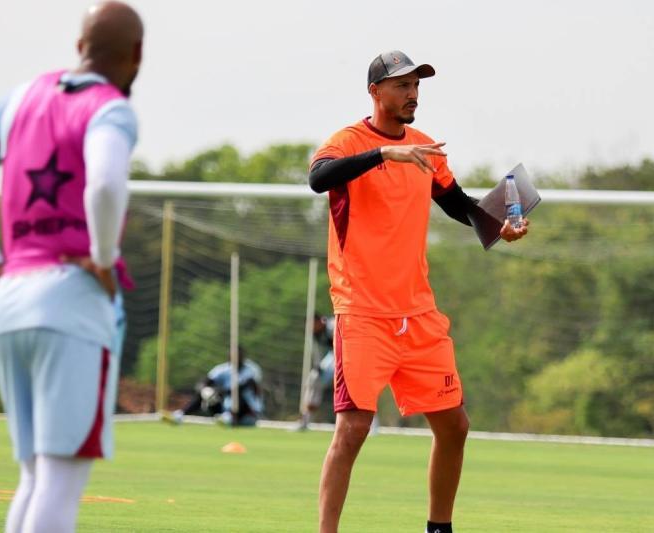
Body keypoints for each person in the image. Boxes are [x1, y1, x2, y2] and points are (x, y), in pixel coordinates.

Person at [0, 3, 143, 532]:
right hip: (72, 302)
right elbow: (105, 184)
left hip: (8, 301)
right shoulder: (110, 108)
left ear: (79, 47)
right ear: (137, 56)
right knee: (59, 480)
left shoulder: (21, 97)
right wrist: (102, 258)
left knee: (33, 476)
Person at [309, 50, 529, 533]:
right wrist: (383, 154)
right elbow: (318, 178)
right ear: (375, 92)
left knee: (455, 426)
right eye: (402, 86)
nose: (412, 95)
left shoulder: (426, 148)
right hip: (362, 312)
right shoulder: (348, 141)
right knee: (353, 429)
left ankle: (438, 529)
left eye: (416, 87)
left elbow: (458, 204)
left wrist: (498, 226)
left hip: (418, 314)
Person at [169, 347, 264, 427]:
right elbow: (205, 382)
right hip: (224, 407)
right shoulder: (223, 369)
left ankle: (229, 417)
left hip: (246, 412)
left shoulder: (252, 370)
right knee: (206, 392)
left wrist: (219, 391)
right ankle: (179, 415)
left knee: (237, 394)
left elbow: (242, 388)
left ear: (242, 356)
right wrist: (204, 390)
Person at [299, 314, 336, 430]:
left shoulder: (333, 325)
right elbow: (317, 352)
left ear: (319, 321)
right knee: (313, 379)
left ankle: (372, 424)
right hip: (334, 356)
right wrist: (318, 365)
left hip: (351, 355)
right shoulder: (315, 334)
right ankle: (305, 420)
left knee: (356, 387)